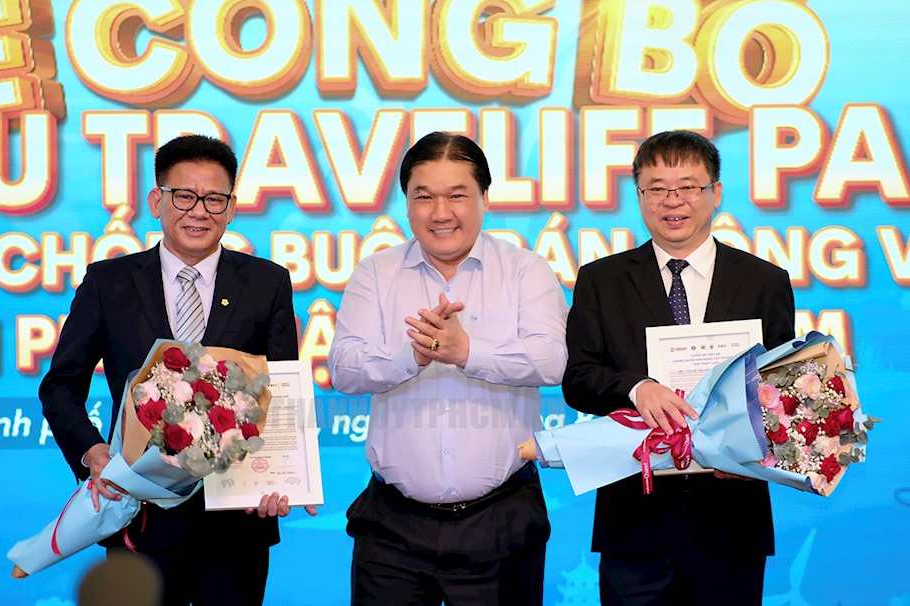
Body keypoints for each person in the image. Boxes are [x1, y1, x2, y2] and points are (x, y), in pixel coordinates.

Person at [40, 134, 307, 605]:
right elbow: (60, 385)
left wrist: (281, 479)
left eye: (214, 199)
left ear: (231, 208)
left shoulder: (267, 282)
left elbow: (280, 391)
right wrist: (92, 453)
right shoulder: (109, 282)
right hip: (139, 519)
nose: (199, 211)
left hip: (236, 525)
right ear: (156, 201)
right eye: (184, 196)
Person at [329, 131, 569, 605]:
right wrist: (413, 356)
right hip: (392, 529)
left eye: (457, 195)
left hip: (500, 521)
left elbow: (552, 360)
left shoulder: (525, 270)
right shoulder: (375, 273)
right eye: (424, 197)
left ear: (485, 198)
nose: (440, 213)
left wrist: (467, 352)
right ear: (407, 203)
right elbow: (344, 369)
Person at [562, 130, 796, 605]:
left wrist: (760, 456)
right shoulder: (601, 280)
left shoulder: (764, 281)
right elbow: (578, 380)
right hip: (634, 521)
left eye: (688, 186)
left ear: (716, 192)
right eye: (657, 188)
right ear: (639, 195)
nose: (673, 201)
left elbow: (781, 393)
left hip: (732, 521)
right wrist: (635, 388)